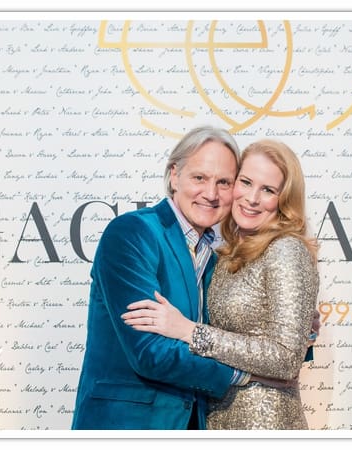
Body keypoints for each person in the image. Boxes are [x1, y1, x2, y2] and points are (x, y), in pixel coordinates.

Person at [123, 139, 319, 429]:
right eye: (246, 182)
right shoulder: (223, 253)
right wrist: (304, 332)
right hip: (214, 418)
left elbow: (286, 360)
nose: (252, 198)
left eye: (268, 190)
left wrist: (190, 331)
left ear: (284, 199)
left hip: (264, 424)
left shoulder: (285, 249)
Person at [71, 126, 249, 430]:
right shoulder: (133, 233)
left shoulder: (215, 254)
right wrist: (240, 374)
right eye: (200, 178)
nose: (211, 193)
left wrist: (294, 331)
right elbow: (149, 352)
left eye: (224, 182)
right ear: (174, 175)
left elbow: (233, 331)